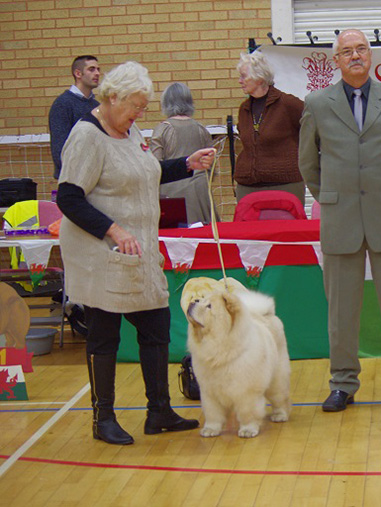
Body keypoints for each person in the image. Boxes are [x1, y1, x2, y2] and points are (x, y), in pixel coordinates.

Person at [56, 61, 216, 445]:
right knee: (104, 335)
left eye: (144, 107)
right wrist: (112, 229)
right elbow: (68, 196)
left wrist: (186, 165)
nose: (141, 114)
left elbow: (145, 171)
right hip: (102, 252)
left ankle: (158, 411)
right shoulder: (87, 137)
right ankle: (103, 418)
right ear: (112, 98)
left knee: (156, 328)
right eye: (136, 106)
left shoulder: (130, 131)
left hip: (140, 251)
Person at [299, 29, 381, 412]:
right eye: (346, 51)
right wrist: (333, 196)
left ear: (370, 56)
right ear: (336, 60)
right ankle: (342, 383)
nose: (355, 56)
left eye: (361, 49)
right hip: (340, 220)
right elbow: (308, 163)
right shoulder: (316, 103)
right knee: (340, 312)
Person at [235, 51, 305, 203]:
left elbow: (314, 129)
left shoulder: (288, 104)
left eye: (243, 76)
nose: (240, 81)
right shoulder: (244, 108)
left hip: (286, 186)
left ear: (259, 78)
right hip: (248, 187)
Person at [149, 82, 217, 225]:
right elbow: (212, 168)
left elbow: (154, 167)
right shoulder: (201, 129)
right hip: (201, 195)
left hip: (172, 198)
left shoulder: (161, 130)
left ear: (166, 102)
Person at [49, 55, 101, 179]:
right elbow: (59, 150)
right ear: (78, 73)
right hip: (72, 180)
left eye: (98, 69)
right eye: (91, 69)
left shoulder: (96, 106)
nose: (97, 73)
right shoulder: (62, 104)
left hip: (95, 178)